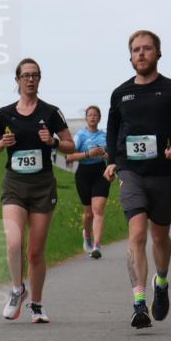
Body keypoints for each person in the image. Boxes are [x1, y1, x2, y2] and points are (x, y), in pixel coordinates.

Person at [104, 30, 171, 329]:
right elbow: (112, 133)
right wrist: (112, 163)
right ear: (130, 56)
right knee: (136, 234)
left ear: (158, 53)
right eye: (136, 50)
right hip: (131, 172)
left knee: (159, 236)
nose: (141, 54)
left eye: (147, 49)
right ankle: (138, 302)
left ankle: (161, 281)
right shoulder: (120, 93)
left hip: (162, 173)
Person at [0, 58, 74, 323]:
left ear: (39, 79)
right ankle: (18, 289)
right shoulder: (5, 113)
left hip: (42, 185)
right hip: (14, 182)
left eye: (35, 75)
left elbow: (70, 145)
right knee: (14, 242)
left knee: (35, 251)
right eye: (25, 75)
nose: (30, 79)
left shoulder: (51, 112)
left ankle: (37, 304)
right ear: (17, 80)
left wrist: (54, 141)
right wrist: (1, 142)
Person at [66, 105, 110, 259]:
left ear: (99, 118)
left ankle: (97, 245)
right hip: (84, 174)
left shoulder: (104, 136)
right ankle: (87, 235)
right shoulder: (80, 136)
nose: (93, 117)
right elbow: (69, 157)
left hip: (101, 173)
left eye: (95, 115)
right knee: (88, 213)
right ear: (86, 118)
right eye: (90, 115)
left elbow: (111, 156)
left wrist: (103, 154)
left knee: (98, 209)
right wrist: (88, 154)